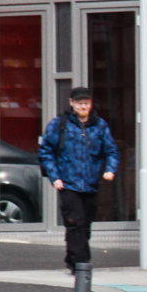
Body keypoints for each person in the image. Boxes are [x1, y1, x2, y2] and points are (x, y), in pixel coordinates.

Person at [38, 87, 119, 273]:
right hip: (68, 183)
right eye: (80, 103)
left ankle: (71, 257)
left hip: (91, 183)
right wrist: (55, 177)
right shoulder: (60, 124)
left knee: (85, 226)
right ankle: (81, 264)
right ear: (72, 103)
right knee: (76, 222)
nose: (84, 106)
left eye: (87, 103)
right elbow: (46, 151)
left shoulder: (100, 125)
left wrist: (110, 170)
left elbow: (111, 150)